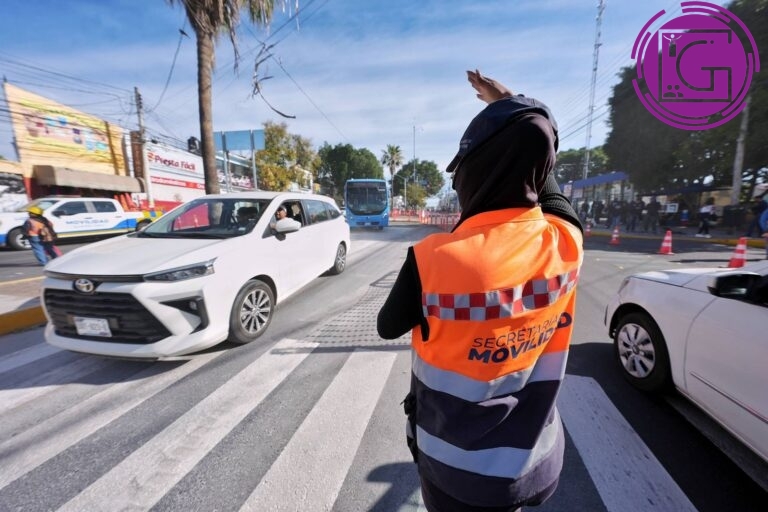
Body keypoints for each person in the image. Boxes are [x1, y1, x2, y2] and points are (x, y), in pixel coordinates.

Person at [377, 69, 583, 512]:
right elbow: (550, 190)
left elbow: (386, 325)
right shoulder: (566, 243)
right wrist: (522, 108)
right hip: (532, 463)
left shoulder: (432, 259)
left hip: (454, 472)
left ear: (472, 173)